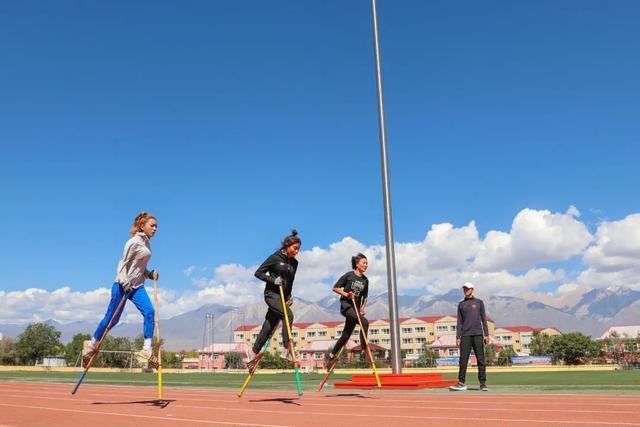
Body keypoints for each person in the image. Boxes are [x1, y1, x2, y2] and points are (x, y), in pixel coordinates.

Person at [84, 212, 159, 366]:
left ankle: (146, 349)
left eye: (156, 226)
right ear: (142, 226)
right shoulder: (133, 242)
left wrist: (149, 274)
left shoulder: (147, 244)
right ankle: (91, 345)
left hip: (137, 287)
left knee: (149, 312)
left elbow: (139, 268)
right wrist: (125, 284)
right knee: (112, 319)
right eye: (152, 225)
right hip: (121, 285)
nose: (155, 229)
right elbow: (122, 265)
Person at [249, 229, 301, 367]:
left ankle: (252, 353)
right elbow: (258, 273)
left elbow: (290, 282)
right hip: (272, 295)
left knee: (269, 326)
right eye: (295, 248)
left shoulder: (295, 264)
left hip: (283, 297)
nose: (296, 252)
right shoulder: (275, 257)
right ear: (286, 246)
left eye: (298, 250)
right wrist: (273, 280)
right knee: (288, 316)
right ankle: (286, 349)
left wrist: (289, 296)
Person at [327, 253, 370, 370]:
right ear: (357, 264)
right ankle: (363, 350)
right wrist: (347, 294)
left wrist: (362, 308)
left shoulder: (365, 280)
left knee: (346, 335)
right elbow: (335, 288)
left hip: (356, 309)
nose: (366, 265)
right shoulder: (349, 275)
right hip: (347, 307)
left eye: (367, 263)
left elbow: (365, 297)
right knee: (364, 322)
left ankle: (331, 356)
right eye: (364, 263)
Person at [449, 282, 489, 391]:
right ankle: (461, 383)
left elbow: (483, 319)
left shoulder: (479, 302)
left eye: (467, 289)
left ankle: (483, 383)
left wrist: (486, 334)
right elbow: (459, 322)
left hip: (478, 334)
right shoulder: (461, 304)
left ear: (472, 289)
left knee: (481, 360)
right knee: (463, 360)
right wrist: (458, 337)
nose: (465, 290)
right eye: (464, 289)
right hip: (465, 335)